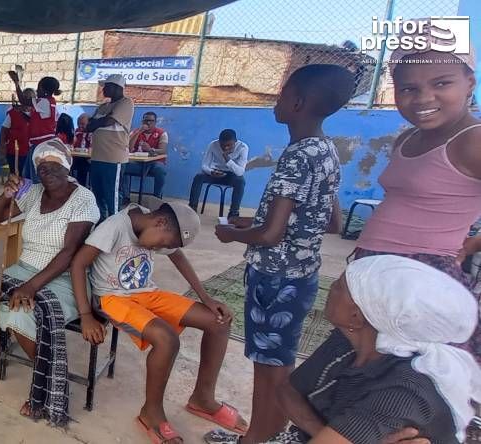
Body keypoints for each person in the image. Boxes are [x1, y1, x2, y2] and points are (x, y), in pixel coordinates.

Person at [212, 64, 355, 444]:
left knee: (268, 367)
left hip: (274, 278)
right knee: (280, 361)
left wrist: (229, 233)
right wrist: (253, 220)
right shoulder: (327, 150)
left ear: (298, 102)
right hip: (303, 273)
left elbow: (272, 234)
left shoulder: (295, 156)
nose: (275, 101)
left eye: (280, 93)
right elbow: (329, 222)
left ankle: (254, 439)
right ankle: (271, 434)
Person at [71, 202, 247, 444]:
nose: (162, 248)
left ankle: (203, 399)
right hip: (111, 298)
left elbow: (178, 256)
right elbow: (79, 263)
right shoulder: (115, 226)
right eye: (164, 243)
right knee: (166, 339)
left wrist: (206, 298)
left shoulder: (152, 219)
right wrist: (86, 315)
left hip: (146, 293)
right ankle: (151, 413)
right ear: (161, 223)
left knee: (219, 321)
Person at [353, 36, 481, 364]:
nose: (423, 98)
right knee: (353, 382)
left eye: (442, 83)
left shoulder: (473, 140)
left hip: (421, 283)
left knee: (401, 394)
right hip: (379, 274)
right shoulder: (408, 138)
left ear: (470, 82)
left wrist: (472, 244)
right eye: (408, 88)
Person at [269, 255, 481, 444]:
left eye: (340, 286)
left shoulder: (405, 390)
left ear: (356, 316)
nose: (331, 287)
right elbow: (287, 391)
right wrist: (327, 432)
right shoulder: (351, 339)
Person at [0, 139, 99, 425]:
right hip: (24, 269)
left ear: (66, 165)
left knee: (20, 313)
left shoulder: (83, 199)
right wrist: (6, 195)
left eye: (53, 165)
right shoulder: (33, 192)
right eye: (41, 166)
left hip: (64, 277)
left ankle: (46, 381)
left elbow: (70, 253)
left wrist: (31, 287)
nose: (46, 171)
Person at [86, 74, 135, 219]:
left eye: (107, 86)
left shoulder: (126, 103)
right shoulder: (103, 106)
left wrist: (98, 122)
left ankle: (115, 224)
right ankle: (101, 222)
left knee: (112, 195)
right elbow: (88, 127)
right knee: (97, 193)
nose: (103, 90)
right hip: (97, 157)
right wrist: (100, 121)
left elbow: (109, 122)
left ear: (117, 88)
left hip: (113, 159)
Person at [9, 73, 61, 180]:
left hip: (41, 144)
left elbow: (23, 100)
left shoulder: (44, 101)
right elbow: (33, 120)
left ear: (44, 89)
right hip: (40, 143)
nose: (37, 91)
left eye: (38, 88)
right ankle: (30, 194)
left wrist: (16, 83)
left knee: (35, 176)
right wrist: (21, 111)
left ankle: (37, 195)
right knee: (28, 174)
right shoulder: (49, 102)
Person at [188, 129, 249, 219]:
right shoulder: (213, 145)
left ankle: (233, 213)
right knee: (199, 177)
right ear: (219, 141)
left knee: (240, 181)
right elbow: (204, 165)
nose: (225, 148)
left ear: (235, 142)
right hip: (215, 173)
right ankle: (192, 208)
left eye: (229, 145)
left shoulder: (243, 148)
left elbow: (239, 172)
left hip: (232, 175)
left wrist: (226, 158)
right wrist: (211, 172)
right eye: (222, 145)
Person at [121, 111, 168, 202]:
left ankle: (156, 198)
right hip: (138, 163)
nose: (148, 123)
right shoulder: (135, 132)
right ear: (142, 121)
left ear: (155, 122)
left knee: (161, 171)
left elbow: (163, 150)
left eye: (151, 121)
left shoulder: (162, 133)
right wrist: (139, 132)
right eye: (146, 120)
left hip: (154, 163)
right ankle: (125, 196)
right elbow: (129, 148)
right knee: (122, 166)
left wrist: (150, 149)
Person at [0, 88, 35, 177]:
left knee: (29, 178)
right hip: (15, 153)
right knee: (15, 178)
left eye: (31, 98)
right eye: (26, 97)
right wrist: (2, 147)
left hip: (32, 152)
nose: (29, 100)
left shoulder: (37, 113)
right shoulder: (13, 113)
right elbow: (3, 130)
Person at [71, 113, 92, 186]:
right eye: (78, 124)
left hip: (87, 159)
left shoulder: (92, 133)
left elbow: (92, 147)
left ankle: (82, 187)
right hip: (76, 157)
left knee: (83, 166)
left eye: (83, 124)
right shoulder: (76, 132)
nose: (80, 126)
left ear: (89, 123)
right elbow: (72, 145)